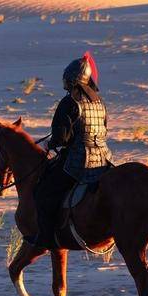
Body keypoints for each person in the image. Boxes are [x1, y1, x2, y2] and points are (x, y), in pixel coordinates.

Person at [32, 51, 113, 248]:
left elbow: (62, 138)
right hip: (103, 159)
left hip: (78, 161)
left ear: (72, 80)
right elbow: (104, 129)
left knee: (44, 192)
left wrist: (49, 144)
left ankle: (46, 239)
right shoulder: (99, 102)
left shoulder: (70, 102)